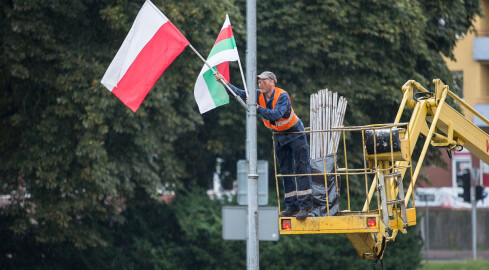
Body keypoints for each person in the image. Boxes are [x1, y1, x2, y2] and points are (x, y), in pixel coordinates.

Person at [215, 71, 313, 220]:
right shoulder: (257, 94)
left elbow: (277, 115)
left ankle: (305, 207)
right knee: (286, 171)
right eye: (259, 81)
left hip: (295, 134)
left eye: (263, 81)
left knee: (302, 168)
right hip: (280, 137)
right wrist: (224, 83)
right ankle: (292, 206)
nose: (260, 83)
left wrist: (257, 108)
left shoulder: (282, 96)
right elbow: (240, 93)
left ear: (272, 82)